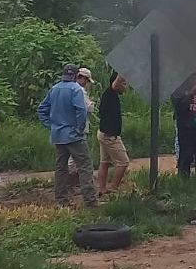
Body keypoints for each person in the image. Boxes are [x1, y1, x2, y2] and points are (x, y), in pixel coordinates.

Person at [37, 64, 97, 208]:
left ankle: (61, 200)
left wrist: (51, 125)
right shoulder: (76, 89)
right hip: (74, 136)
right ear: (76, 76)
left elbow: (41, 109)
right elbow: (81, 111)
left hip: (58, 135)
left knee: (61, 168)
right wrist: (79, 129)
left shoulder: (54, 89)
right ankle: (90, 201)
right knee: (85, 166)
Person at [96, 72, 130, 196]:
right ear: (117, 83)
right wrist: (123, 69)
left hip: (103, 133)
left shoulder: (109, 94)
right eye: (124, 83)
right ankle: (114, 189)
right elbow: (116, 82)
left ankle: (102, 189)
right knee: (123, 162)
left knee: (104, 162)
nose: (126, 86)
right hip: (109, 136)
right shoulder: (111, 92)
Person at [68, 67, 95, 184]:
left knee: (71, 154)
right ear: (83, 78)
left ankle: (71, 178)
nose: (87, 84)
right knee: (78, 156)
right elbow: (89, 107)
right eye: (87, 81)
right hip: (80, 126)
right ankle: (73, 178)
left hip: (70, 125)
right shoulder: (80, 91)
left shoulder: (70, 88)